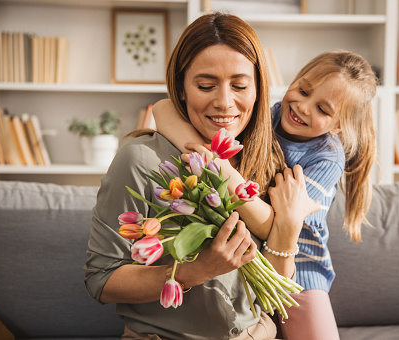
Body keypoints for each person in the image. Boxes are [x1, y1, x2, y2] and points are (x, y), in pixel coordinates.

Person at [84, 12, 316, 340]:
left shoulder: (268, 157)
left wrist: (288, 230)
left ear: (258, 91)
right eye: (206, 85)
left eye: (240, 85)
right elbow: (101, 281)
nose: (224, 102)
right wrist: (197, 270)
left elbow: (273, 295)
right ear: (181, 89)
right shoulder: (141, 160)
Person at [153, 51, 378, 339]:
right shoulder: (265, 117)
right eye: (304, 90)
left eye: (323, 109)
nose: (303, 107)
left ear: (337, 127)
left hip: (299, 272)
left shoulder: (326, 159)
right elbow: (162, 109)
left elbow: (278, 229)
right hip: (245, 263)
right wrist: (212, 161)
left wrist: (222, 170)